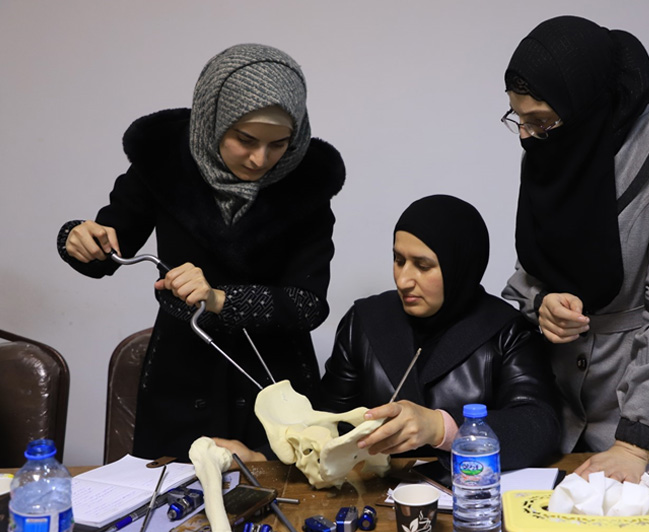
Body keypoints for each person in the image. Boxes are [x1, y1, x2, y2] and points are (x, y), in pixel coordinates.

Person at [57, 44, 345, 461]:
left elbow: (308, 306)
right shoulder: (164, 163)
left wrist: (220, 299)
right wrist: (77, 237)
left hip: (273, 378)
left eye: (279, 144)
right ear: (213, 118)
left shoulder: (307, 184)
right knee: (170, 507)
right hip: (182, 369)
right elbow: (109, 245)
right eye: (245, 139)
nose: (260, 158)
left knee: (280, 506)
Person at [500, 15, 649, 482]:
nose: (527, 136)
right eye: (518, 120)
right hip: (569, 422)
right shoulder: (554, 147)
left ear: (583, 104)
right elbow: (527, 277)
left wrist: (633, 441)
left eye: (541, 121)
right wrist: (542, 304)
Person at [218, 195, 561, 470]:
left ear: (462, 266)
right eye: (398, 260)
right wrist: (261, 457)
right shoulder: (365, 323)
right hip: (375, 502)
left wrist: (441, 427)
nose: (403, 279)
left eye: (423, 265)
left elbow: (539, 426)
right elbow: (326, 423)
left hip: (468, 502)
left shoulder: (507, 331)